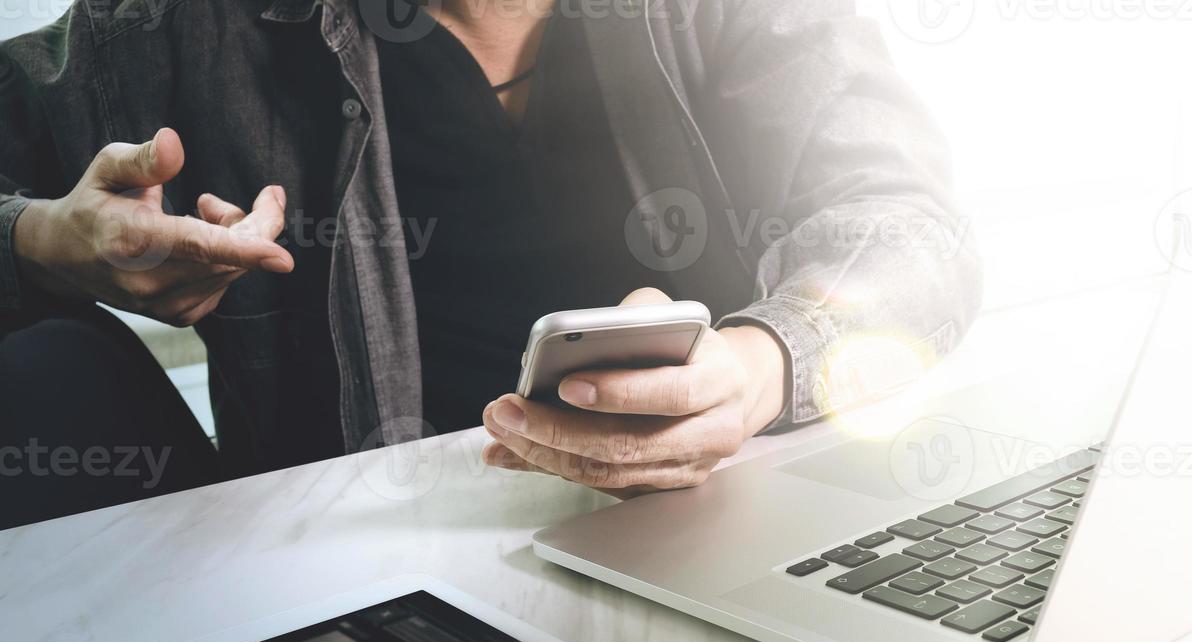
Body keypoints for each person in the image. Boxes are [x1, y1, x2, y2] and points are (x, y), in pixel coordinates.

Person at [0, 0, 980, 527]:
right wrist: (45, 241)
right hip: (387, 591)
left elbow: (906, 224)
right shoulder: (181, 29)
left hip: (737, 523)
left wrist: (765, 362)